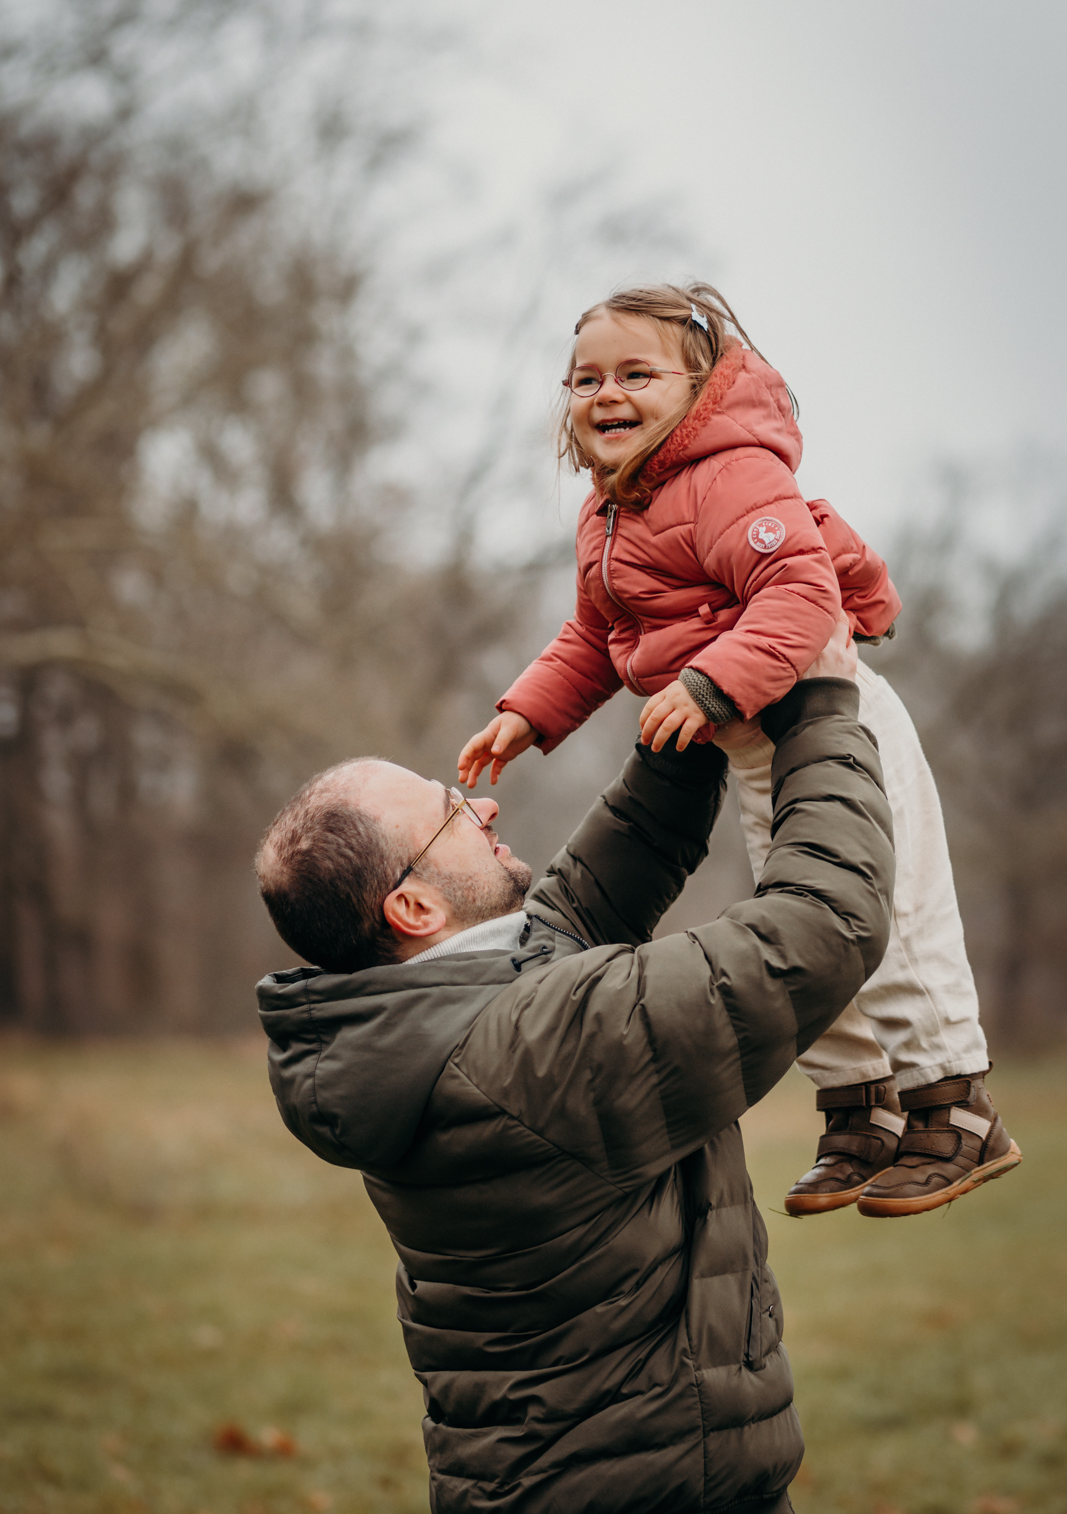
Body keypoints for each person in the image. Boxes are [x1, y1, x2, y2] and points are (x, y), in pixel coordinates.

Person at [256, 620, 891, 1514]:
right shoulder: (531, 1050)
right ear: (413, 904)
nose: (482, 806)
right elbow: (823, 928)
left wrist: (693, 713)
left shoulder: (411, 1032)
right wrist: (823, 701)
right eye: (450, 813)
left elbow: (577, 909)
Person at [459, 282, 1019, 1218]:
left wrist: (709, 684)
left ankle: (953, 1107)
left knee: (897, 911)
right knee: (799, 925)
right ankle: (859, 1110)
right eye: (584, 378)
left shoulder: (732, 474)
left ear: (700, 387)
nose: (606, 393)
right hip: (755, 747)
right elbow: (593, 638)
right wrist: (528, 713)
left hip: (833, 719)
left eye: (636, 372)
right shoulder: (606, 518)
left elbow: (800, 594)